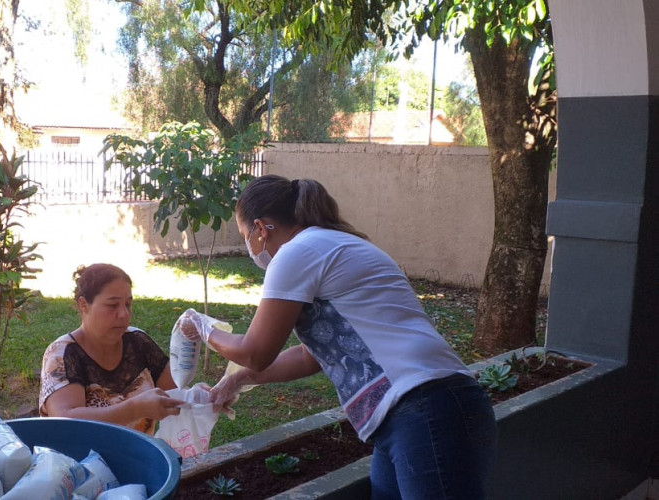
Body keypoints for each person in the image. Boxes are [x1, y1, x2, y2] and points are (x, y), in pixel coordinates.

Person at [182, 175, 497, 499]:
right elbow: (310, 356)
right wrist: (237, 380)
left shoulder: (297, 252)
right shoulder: (326, 244)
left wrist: (205, 328)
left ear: (261, 228)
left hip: (426, 405)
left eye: (246, 235)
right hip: (419, 408)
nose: (249, 246)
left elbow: (256, 351)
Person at [38, 263, 186, 435]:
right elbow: (64, 420)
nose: (124, 314)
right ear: (83, 304)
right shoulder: (62, 354)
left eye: (128, 304)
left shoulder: (138, 342)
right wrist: (134, 409)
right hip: (80, 460)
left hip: (139, 456)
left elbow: (174, 393)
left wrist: (202, 397)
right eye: (112, 305)